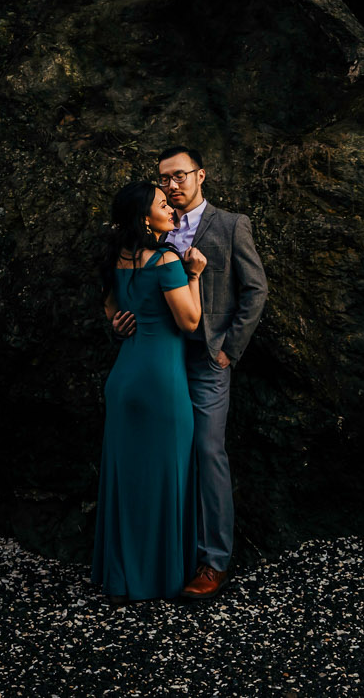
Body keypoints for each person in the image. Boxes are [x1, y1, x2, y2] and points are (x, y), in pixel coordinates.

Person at [111, 145, 267, 603]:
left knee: (206, 451)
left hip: (203, 360)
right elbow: (127, 287)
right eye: (164, 179)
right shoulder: (148, 228)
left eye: (179, 176)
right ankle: (163, 557)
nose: (171, 185)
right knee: (164, 455)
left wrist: (227, 352)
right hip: (157, 359)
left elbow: (256, 291)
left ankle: (213, 561)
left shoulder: (231, 225)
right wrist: (120, 321)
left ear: (202, 175)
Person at [91, 179, 207, 602]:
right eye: (162, 204)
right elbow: (190, 322)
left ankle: (122, 577)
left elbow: (111, 311)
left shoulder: (116, 258)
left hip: (124, 377)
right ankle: (160, 578)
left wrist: (121, 323)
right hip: (161, 381)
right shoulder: (166, 260)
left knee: (127, 478)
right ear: (145, 217)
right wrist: (193, 274)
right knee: (166, 477)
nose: (170, 207)